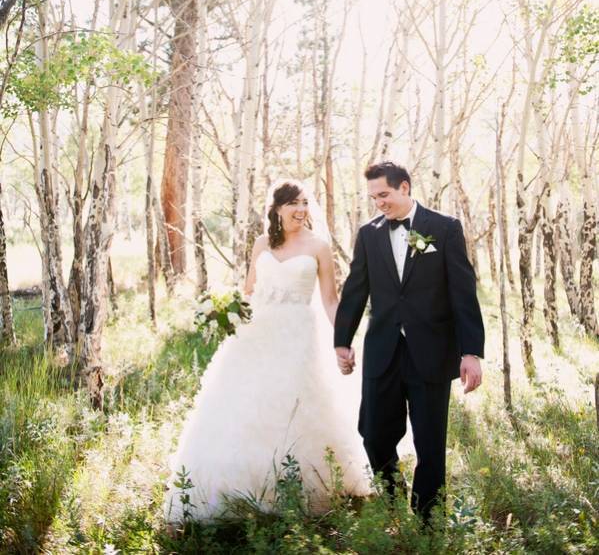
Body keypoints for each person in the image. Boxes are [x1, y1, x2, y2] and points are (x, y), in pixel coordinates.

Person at [164, 179, 370, 524]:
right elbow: (248, 292)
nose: (301, 210)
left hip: (299, 337)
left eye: (305, 203)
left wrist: (343, 339)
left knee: (296, 408)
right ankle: (236, 490)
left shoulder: (319, 246)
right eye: (293, 204)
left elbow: (330, 300)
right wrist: (223, 312)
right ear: (276, 209)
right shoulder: (262, 243)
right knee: (244, 408)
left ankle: (302, 490)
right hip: (256, 336)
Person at [334, 161, 485, 523]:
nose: (378, 203)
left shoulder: (445, 228)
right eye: (373, 198)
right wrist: (342, 340)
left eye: (383, 194)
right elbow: (356, 290)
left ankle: (428, 519)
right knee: (373, 434)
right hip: (383, 351)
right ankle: (391, 500)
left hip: (431, 351)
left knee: (430, 443)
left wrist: (471, 352)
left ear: (404, 187)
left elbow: (463, 292)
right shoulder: (368, 234)